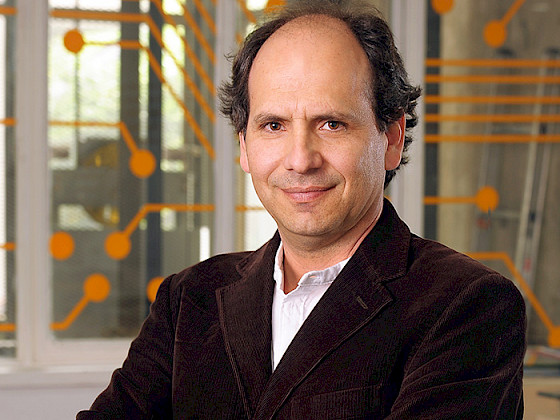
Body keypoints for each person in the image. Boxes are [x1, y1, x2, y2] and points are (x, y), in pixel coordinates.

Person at [78, 1, 526, 418]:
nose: (300, 159)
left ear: (391, 138)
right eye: (273, 125)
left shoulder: (467, 305)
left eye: (331, 124)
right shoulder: (188, 300)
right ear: (244, 147)